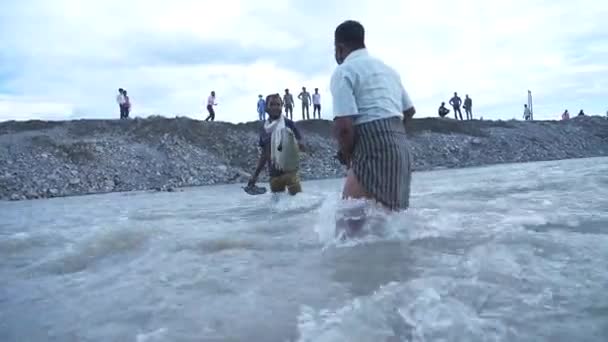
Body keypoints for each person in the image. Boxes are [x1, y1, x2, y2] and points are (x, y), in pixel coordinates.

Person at [331, 20, 415, 234]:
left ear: (339, 48)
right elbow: (409, 111)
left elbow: (344, 127)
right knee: (389, 225)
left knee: (347, 228)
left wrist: (348, 156)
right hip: (401, 147)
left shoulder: (344, 71)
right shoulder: (388, 70)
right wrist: (392, 136)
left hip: (372, 146)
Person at [248, 94, 305, 195]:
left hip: (290, 174)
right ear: (266, 108)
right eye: (272, 104)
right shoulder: (264, 129)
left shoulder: (289, 124)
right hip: (274, 176)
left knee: (298, 203)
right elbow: (264, 154)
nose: (275, 107)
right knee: (276, 208)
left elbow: (302, 145)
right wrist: (255, 176)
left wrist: (298, 144)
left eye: (278, 104)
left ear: (282, 106)